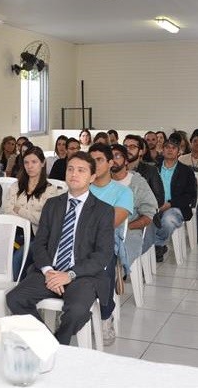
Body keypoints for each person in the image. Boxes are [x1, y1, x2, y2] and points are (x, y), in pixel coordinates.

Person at [6, 151, 114, 345]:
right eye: (70, 169)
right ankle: (49, 343)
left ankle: (59, 343)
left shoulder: (103, 210)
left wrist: (70, 275)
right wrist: (48, 271)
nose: (74, 174)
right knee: (15, 298)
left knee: (77, 311)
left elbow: (103, 255)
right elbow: (40, 243)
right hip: (50, 270)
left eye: (81, 170)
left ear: (92, 177)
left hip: (82, 275)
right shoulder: (53, 204)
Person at [88, 143, 134, 346]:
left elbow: (110, 224)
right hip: (75, 243)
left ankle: (106, 317)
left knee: (103, 267)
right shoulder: (81, 187)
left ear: (109, 163)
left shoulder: (122, 192)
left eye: (99, 160)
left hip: (105, 244)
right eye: (91, 160)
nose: (94, 164)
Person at [2, 146, 62, 279]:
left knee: (18, 258)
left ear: (42, 163)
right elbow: (7, 212)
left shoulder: (50, 190)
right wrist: (29, 216)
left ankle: (19, 291)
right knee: (0, 253)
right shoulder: (16, 186)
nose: (30, 166)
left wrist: (20, 210)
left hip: (38, 237)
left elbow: (45, 220)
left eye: (34, 162)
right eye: (26, 162)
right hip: (14, 233)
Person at [110, 144, 157, 270]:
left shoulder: (137, 183)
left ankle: (115, 278)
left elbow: (148, 215)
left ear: (126, 160)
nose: (113, 159)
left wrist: (125, 228)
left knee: (116, 254)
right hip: (104, 229)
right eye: (110, 156)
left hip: (130, 230)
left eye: (117, 156)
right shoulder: (102, 181)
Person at [154, 135, 197, 262]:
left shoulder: (186, 171)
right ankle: (153, 246)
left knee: (168, 220)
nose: (170, 150)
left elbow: (190, 196)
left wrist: (170, 204)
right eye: (167, 147)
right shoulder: (153, 168)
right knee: (141, 221)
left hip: (175, 207)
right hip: (153, 206)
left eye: (173, 148)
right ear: (162, 150)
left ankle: (158, 245)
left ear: (179, 152)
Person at [123, 134, 165, 207]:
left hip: (142, 213)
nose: (127, 150)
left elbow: (159, 199)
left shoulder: (151, 170)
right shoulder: (115, 169)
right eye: (125, 147)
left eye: (132, 147)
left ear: (140, 152)